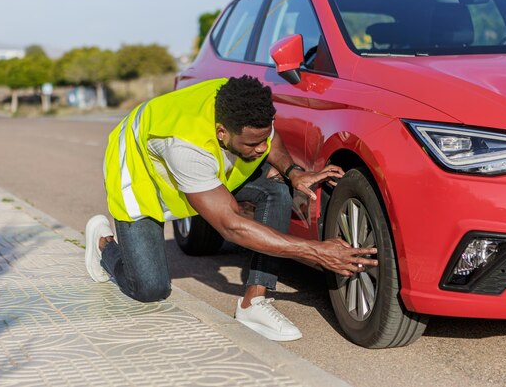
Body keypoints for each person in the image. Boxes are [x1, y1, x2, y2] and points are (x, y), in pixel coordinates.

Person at [85, 75, 377, 341]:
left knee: (276, 191)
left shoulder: (245, 104)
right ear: (223, 132)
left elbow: (270, 140)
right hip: (140, 174)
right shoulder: (185, 148)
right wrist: (317, 251)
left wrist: (293, 172)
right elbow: (230, 225)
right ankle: (104, 245)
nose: (262, 149)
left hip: (202, 169)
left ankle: (254, 302)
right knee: (150, 289)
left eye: (264, 138)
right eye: (253, 143)